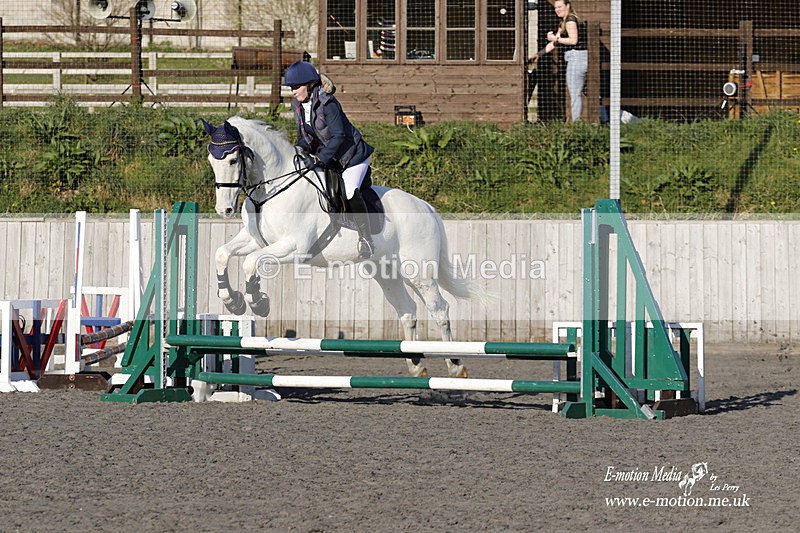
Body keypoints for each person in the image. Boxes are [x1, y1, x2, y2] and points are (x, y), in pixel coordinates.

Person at [283, 61, 375, 259]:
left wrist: (319, 158)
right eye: (291, 88)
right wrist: (299, 150)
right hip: (332, 157)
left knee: (350, 192)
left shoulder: (328, 103)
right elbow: (307, 135)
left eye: (296, 87)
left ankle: (366, 238)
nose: (293, 92)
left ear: (309, 84)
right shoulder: (299, 106)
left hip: (352, 156)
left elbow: (338, 136)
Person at [530, 0, 587, 121]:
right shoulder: (564, 22)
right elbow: (554, 43)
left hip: (577, 58)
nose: (557, 10)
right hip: (576, 58)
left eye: (560, 7)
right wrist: (539, 54)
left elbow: (573, 41)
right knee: (580, 91)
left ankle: (577, 123)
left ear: (568, 6)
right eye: (556, 8)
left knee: (575, 93)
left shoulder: (570, 21)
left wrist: (555, 38)